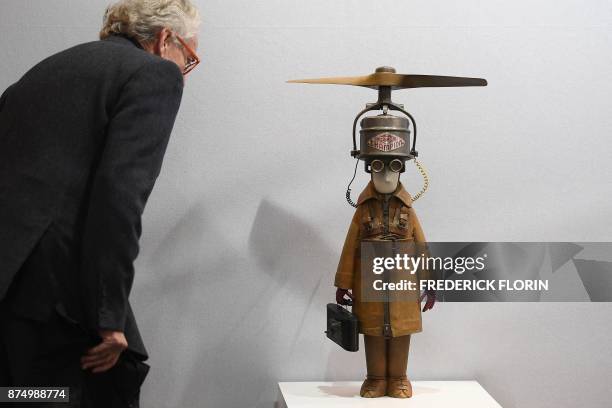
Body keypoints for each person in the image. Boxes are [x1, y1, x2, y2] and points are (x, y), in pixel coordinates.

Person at [0, 0, 200, 406]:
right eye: (190, 57)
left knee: (22, 397)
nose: (186, 71)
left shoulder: (46, 70)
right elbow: (119, 197)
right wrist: (108, 318)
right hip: (55, 292)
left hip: (10, 287)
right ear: (165, 40)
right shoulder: (155, 73)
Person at [334, 113, 436, 399]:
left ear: (402, 168)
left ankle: (399, 378)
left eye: (393, 168)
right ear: (369, 169)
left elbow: (420, 246)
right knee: (374, 331)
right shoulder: (363, 209)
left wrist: (430, 282)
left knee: (401, 332)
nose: (386, 175)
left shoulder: (408, 210)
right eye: (378, 168)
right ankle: (376, 378)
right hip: (369, 282)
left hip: (404, 283)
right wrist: (343, 283)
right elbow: (350, 246)